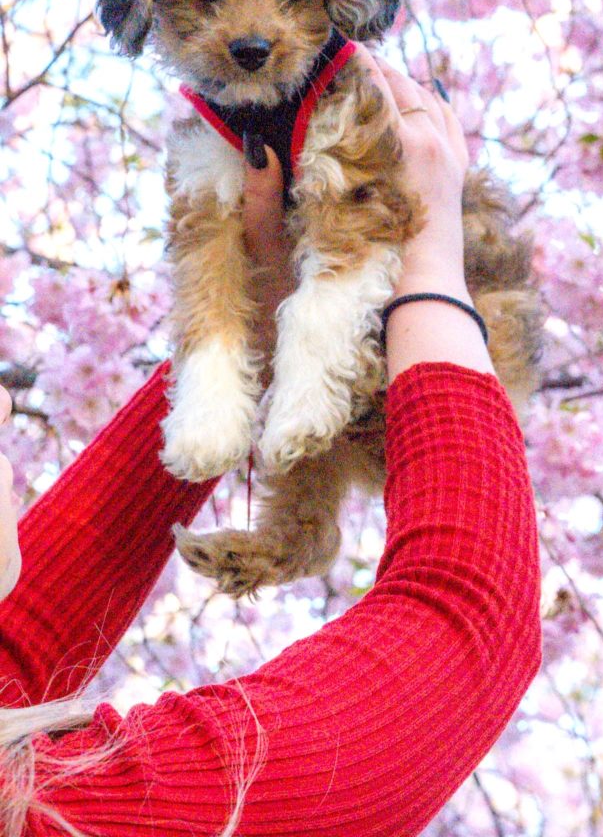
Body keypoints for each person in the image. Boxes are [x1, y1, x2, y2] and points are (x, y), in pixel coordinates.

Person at [0, 50, 542, 837]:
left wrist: (247, 327)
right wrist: (428, 258)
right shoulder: (64, 812)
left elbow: (22, 638)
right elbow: (467, 625)